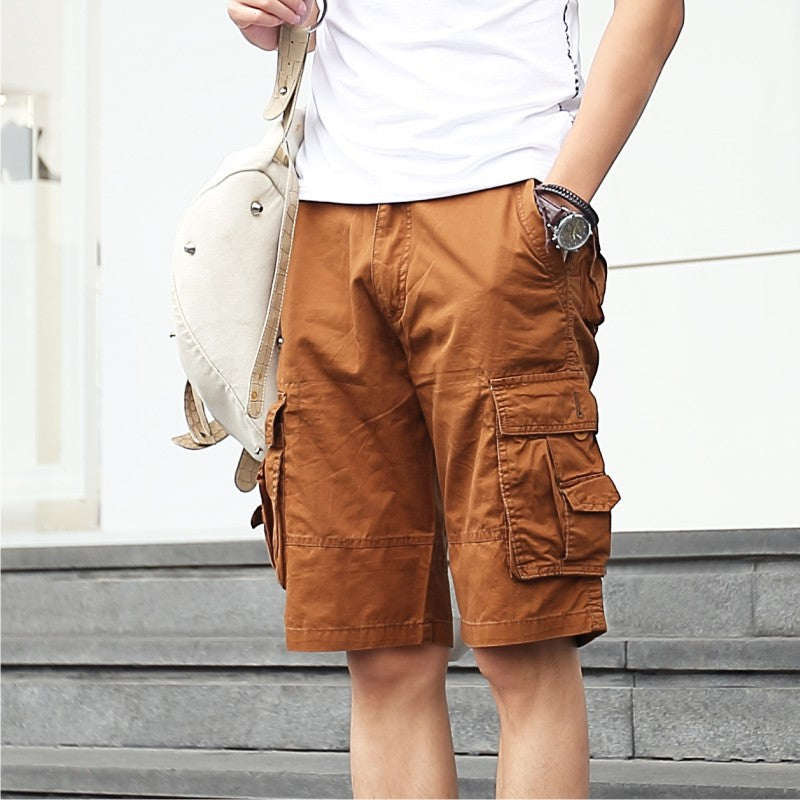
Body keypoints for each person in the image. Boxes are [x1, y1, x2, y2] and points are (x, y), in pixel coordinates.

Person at [229, 1, 684, 797]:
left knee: (523, 638)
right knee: (382, 651)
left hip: (496, 205)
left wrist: (565, 198)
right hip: (329, 222)